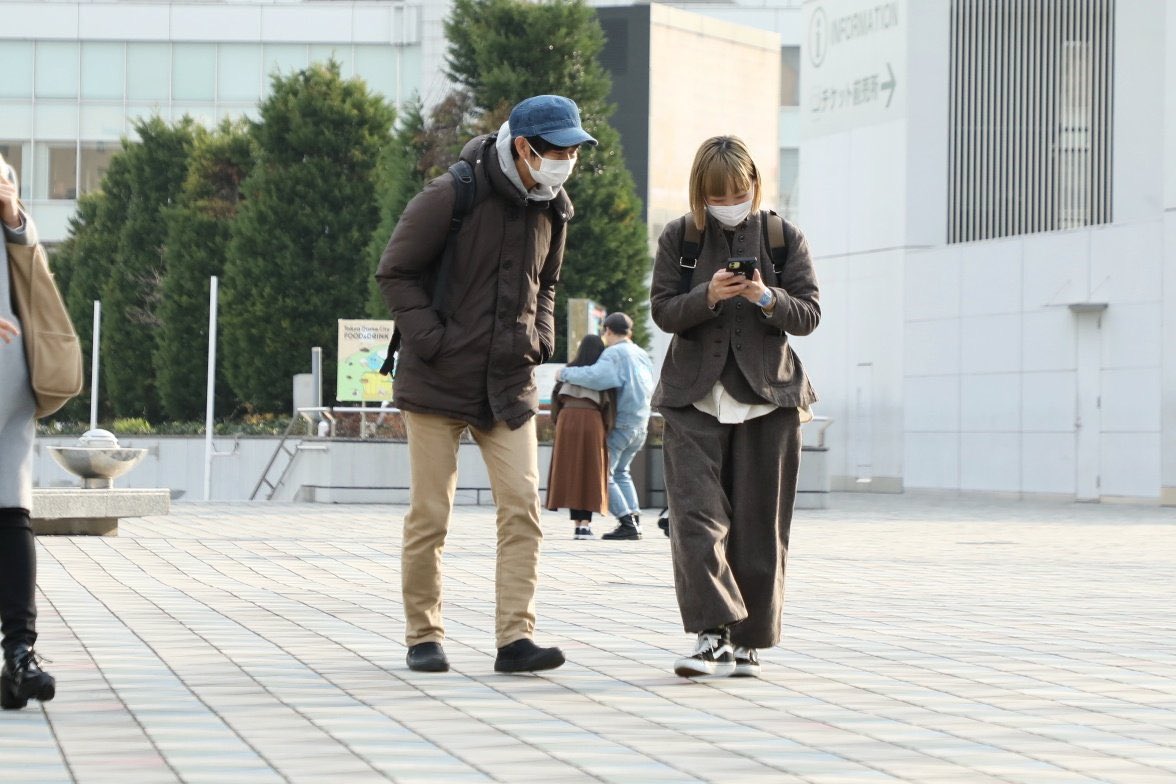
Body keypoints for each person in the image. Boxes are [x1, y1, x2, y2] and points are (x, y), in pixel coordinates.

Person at [376, 95, 596, 674]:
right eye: (559, 150)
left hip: (509, 382)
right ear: (525, 148)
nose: (568, 160)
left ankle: (514, 640)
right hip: (438, 381)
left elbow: (547, 282)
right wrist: (433, 341)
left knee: (522, 507)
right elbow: (394, 270)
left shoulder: (556, 208)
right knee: (431, 513)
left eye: (574, 150)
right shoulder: (451, 193)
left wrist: (541, 336)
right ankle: (424, 635)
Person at [650, 136, 819, 678]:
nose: (731, 201)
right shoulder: (681, 237)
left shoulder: (782, 237)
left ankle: (747, 643)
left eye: (740, 191)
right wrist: (710, 296)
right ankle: (710, 635)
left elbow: (809, 314)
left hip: (770, 399)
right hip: (691, 398)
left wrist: (764, 296)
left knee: (759, 525)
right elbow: (662, 312)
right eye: (719, 194)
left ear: (755, 186)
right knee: (695, 520)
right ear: (701, 192)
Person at [0, 154, 56, 709]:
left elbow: (30, 261)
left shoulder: (3, 181)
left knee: (11, 512)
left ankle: (19, 655)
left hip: (7, 379)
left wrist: (13, 210)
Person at [556, 312, 654, 540]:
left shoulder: (615, 353)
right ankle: (635, 520)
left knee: (603, 473)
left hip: (622, 421)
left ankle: (627, 523)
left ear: (608, 330)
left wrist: (565, 373)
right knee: (621, 472)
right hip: (641, 422)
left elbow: (597, 377)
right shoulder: (641, 353)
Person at [545, 334, 616, 540]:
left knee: (570, 472)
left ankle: (577, 526)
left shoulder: (567, 372)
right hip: (593, 421)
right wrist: (607, 429)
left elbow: (554, 403)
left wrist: (560, 423)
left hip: (567, 420)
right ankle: (586, 525)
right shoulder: (601, 375)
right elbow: (609, 406)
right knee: (590, 472)